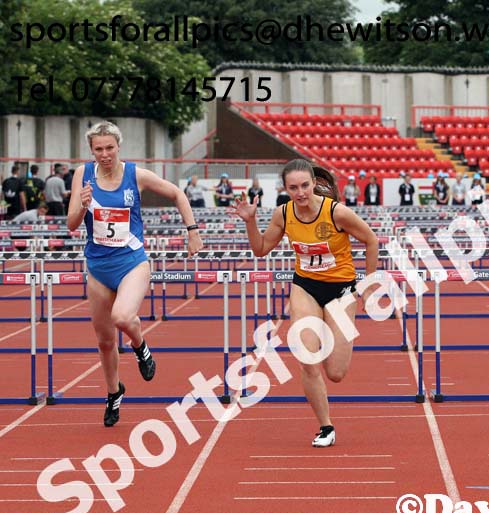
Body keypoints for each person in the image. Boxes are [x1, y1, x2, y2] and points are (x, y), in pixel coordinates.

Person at [66, 121, 203, 427]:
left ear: (119, 146)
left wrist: (192, 231)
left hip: (132, 262)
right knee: (104, 341)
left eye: (109, 148)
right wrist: (83, 205)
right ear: (91, 150)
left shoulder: (135, 175)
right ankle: (114, 392)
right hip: (98, 267)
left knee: (123, 317)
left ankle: (141, 347)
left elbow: (177, 194)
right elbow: (71, 224)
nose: (104, 154)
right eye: (98, 149)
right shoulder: (82, 175)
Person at [234, 159, 379, 447]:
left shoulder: (336, 212)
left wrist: (369, 285)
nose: (299, 193)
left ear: (314, 183)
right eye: (292, 188)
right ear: (285, 189)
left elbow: (371, 240)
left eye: (304, 186)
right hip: (306, 287)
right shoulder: (283, 214)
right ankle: (326, 427)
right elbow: (261, 249)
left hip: (341, 290)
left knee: (336, 373)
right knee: (307, 357)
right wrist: (250, 221)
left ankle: (331, 333)